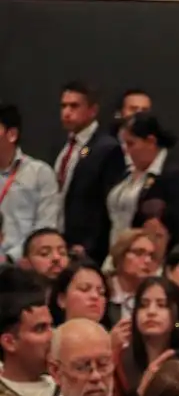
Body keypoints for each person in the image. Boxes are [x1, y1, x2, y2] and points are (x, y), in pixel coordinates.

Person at [55, 81, 124, 264]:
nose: (67, 112)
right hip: (62, 241)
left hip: (88, 249)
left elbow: (108, 205)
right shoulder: (62, 148)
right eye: (63, 106)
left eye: (74, 106)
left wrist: (90, 246)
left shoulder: (107, 148)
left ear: (92, 110)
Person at [108, 113, 179, 249]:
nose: (126, 150)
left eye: (131, 144)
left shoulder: (173, 174)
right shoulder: (126, 171)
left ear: (150, 141)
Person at [117, 276, 179, 396]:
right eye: (143, 305)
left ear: (177, 315)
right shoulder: (122, 360)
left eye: (161, 305)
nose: (151, 312)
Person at [0, 104, 61, 264]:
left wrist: (10, 257)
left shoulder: (39, 173)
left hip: (25, 266)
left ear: (11, 134)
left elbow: (45, 227)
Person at [0, 290, 56, 396]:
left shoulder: (67, 388)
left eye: (51, 326)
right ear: (9, 342)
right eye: (40, 329)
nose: (52, 335)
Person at [53, 260, 108, 326]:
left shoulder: (111, 335)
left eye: (101, 292)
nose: (95, 296)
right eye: (84, 289)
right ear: (62, 299)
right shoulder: (51, 335)